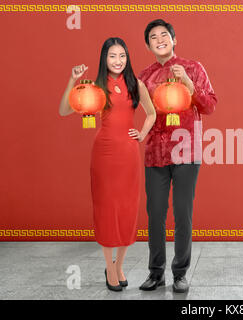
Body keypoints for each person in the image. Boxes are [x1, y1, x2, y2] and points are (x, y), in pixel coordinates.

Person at [59, 37, 156, 292]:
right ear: (104, 58)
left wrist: (143, 134)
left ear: (128, 58)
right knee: (106, 208)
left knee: (126, 209)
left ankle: (119, 264)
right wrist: (74, 80)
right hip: (103, 153)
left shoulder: (136, 84)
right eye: (112, 56)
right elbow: (64, 110)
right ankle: (109, 267)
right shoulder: (97, 85)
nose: (118, 61)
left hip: (128, 154)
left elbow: (152, 112)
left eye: (122, 56)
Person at [138, 19, 218, 293]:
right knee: (155, 214)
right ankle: (156, 272)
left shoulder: (193, 68)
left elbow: (209, 106)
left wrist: (187, 82)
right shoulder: (144, 76)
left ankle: (180, 274)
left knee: (183, 214)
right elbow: (131, 106)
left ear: (174, 39)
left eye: (164, 35)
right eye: (153, 37)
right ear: (148, 44)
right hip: (155, 152)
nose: (159, 39)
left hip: (186, 149)